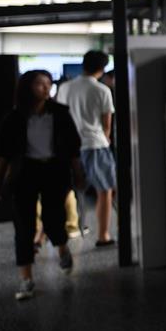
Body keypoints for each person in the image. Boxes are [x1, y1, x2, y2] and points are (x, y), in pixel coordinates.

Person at [0, 70, 85, 301]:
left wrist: (78, 174)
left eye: (48, 83)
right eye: (40, 84)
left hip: (54, 171)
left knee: (54, 218)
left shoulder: (59, 113)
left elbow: (73, 149)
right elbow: (3, 153)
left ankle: (62, 247)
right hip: (25, 173)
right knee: (24, 226)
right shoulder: (15, 118)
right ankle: (26, 278)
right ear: (27, 87)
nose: (46, 88)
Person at [57, 50, 117, 247]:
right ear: (102, 68)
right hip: (95, 144)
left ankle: (58, 233)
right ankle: (103, 235)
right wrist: (106, 138)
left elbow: (60, 117)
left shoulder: (65, 88)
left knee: (66, 190)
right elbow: (107, 124)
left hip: (69, 147)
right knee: (105, 190)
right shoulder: (102, 90)